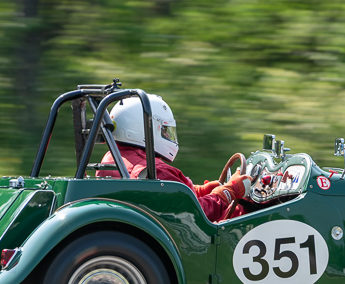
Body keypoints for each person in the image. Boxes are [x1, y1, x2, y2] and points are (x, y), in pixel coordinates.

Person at [95, 95, 250, 221]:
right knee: (241, 213)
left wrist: (201, 191)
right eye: (164, 130)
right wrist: (228, 192)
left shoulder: (111, 159)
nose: (168, 136)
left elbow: (168, 198)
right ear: (145, 129)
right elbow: (194, 214)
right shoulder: (156, 171)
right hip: (177, 234)